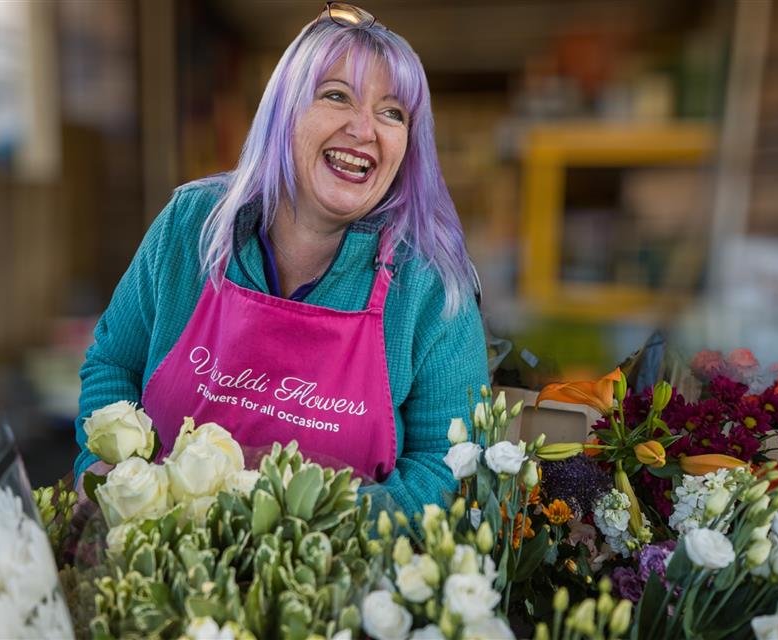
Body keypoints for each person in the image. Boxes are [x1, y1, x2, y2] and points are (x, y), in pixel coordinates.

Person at [73, 2, 488, 520]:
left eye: (392, 113)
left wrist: (298, 536)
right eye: (336, 95)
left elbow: (450, 468)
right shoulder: (191, 224)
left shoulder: (430, 286)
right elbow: (115, 364)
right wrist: (112, 475)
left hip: (336, 569)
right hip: (161, 554)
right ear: (284, 110)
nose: (364, 129)